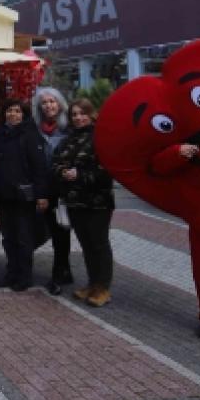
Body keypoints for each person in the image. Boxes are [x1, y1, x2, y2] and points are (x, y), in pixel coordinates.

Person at [52, 98, 115, 307]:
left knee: (99, 244)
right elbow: (55, 163)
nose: (78, 118)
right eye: (75, 114)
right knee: (86, 245)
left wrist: (79, 175)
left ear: (91, 114)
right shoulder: (68, 139)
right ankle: (92, 283)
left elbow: (107, 171)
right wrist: (63, 172)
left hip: (97, 202)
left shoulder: (102, 138)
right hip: (75, 202)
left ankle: (103, 287)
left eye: (82, 113)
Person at [0, 101, 49, 292]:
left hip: (24, 196)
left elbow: (39, 167)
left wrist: (41, 194)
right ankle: (12, 271)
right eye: (9, 110)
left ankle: (24, 275)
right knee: (8, 237)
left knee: (24, 237)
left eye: (17, 111)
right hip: (4, 195)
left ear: (24, 114)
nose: (13, 114)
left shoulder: (30, 135)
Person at [32, 87, 73, 295]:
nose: (49, 106)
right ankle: (63, 269)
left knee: (61, 233)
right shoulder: (35, 129)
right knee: (46, 230)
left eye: (52, 102)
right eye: (44, 103)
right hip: (42, 189)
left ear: (59, 104)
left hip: (64, 190)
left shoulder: (69, 128)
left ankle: (60, 273)